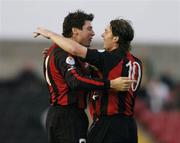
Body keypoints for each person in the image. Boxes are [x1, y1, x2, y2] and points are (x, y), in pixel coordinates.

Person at [34, 18, 142, 143]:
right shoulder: (136, 62)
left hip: (109, 126)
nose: (102, 35)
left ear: (115, 39)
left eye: (106, 32)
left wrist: (51, 35)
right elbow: (100, 70)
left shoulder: (108, 58)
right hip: (130, 127)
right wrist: (57, 57)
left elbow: (75, 50)